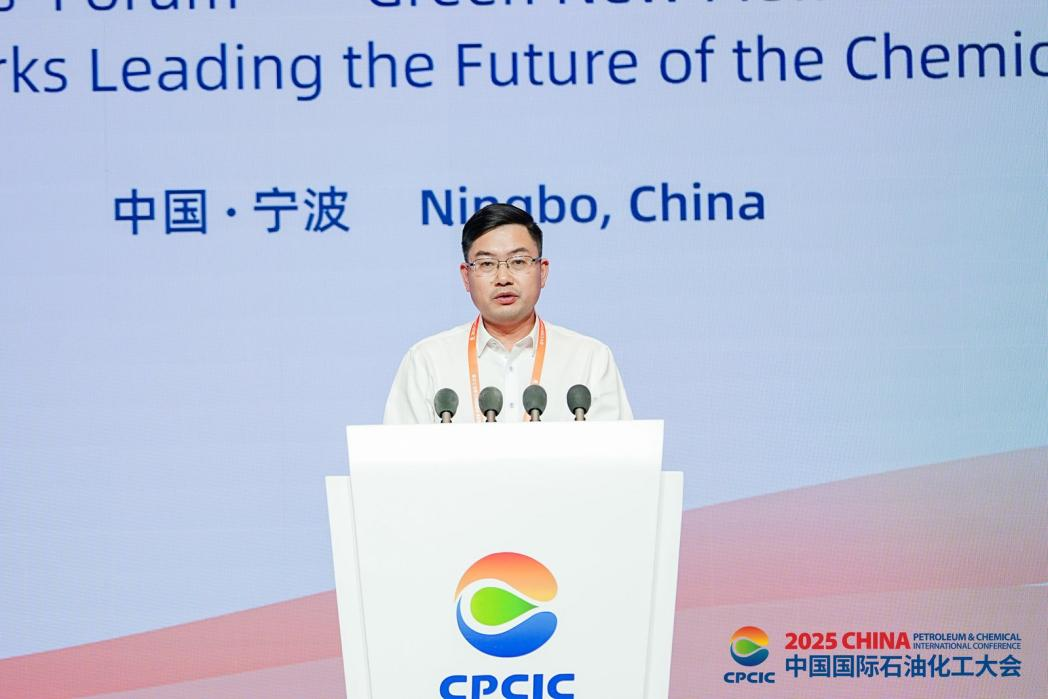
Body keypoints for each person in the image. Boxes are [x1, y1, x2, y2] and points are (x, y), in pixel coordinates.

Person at [383, 203, 632, 424]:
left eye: (519, 261)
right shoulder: (427, 361)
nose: (503, 278)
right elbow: (398, 456)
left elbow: (620, 455)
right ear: (466, 277)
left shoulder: (589, 359)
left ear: (543, 271)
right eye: (486, 264)